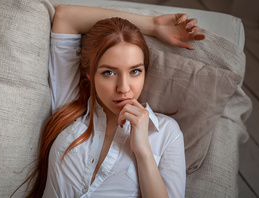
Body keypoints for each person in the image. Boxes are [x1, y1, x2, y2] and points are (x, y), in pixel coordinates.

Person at [15, 4, 205, 198]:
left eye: (135, 71)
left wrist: (143, 152)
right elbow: (66, 17)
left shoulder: (165, 133)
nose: (123, 87)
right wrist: (154, 25)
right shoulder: (71, 105)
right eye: (109, 72)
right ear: (89, 74)